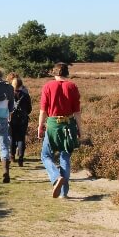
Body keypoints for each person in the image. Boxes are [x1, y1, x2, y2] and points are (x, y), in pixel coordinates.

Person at [37, 62, 82, 199]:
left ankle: (56, 177)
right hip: (69, 125)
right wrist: (80, 129)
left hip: (53, 125)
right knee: (65, 157)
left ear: (54, 72)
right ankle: (64, 193)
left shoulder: (48, 86)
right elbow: (77, 112)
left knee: (45, 155)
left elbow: (43, 110)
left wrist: (40, 126)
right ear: (66, 73)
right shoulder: (72, 86)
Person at [9, 77, 32, 167]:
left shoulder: (9, 95)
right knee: (21, 138)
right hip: (23, 119)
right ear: (21, 85)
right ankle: (21, 158)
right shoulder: (26, 95)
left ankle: (12, 156)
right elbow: (29, 109)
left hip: (11, 118)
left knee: (12, 138)